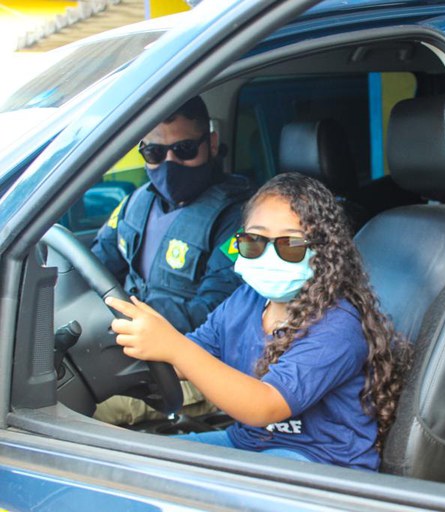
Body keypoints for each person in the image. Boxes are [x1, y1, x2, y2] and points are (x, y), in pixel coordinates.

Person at [105, 173, 408, 469]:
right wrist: (143, 345)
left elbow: (265, 406)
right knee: (144, 466)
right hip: (248, 443)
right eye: (255, 241)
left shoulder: (338, 325)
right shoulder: (245, 299)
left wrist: (173, 347)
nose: (269, 255)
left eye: (290, 245)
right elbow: (192, 357)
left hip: (322, 464)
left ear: (324, 253)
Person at [91, 96, 251, 424]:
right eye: (154, 152)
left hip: (196, 365)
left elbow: (213, 312)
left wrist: (123, 325)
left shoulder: (242, 219)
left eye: (184, 150)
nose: (168, 163)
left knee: (87, 409)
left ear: (212, 143)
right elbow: (94, 266)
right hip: (133, 347)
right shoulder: (135, 203)